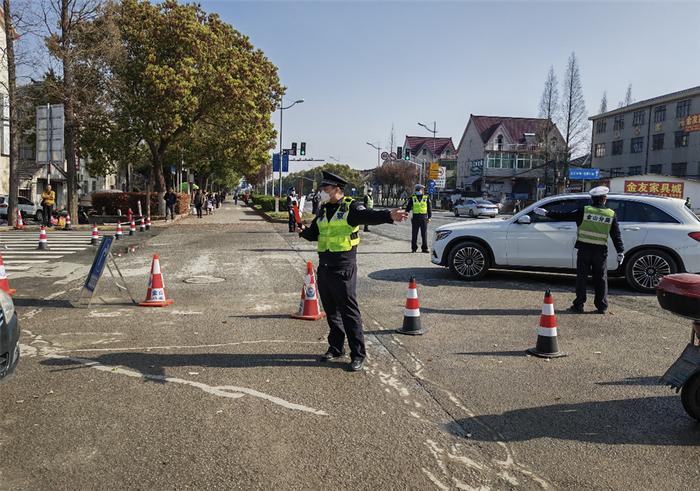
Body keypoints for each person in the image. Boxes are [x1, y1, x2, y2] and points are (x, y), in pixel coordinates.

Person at [298, 171, 408, 371]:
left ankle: (358, 354)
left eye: (325, 188)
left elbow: (369, 216)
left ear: (336, 189)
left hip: (343, 267)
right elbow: (316, 233)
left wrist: (388, 215)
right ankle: (336, 347)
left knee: (349, 312)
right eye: (322, 188)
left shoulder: (351, 207)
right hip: (325, 266)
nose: (322, 191)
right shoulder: (323, 210)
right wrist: (303, 232)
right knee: (331, 311)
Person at [534, 186, 624, 314]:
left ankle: (579, 305)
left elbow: (564, 216)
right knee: (601, 279)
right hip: (600, 251)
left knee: (582, 278)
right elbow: (616, 235)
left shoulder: (584, 210)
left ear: (592, 199)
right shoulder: (611, 214)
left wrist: (547, 213)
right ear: (605, 199)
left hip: (584, 249)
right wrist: (620, 251)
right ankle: (602, 306)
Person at [405, 184, 432, 253]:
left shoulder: (426, 197)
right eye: (422, 189)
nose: (422, 191)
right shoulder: (413, 198)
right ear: (420, 189)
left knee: (424, 234)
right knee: (414, 234)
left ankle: (424, 248)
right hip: (416, 218)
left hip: (423, 218)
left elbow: (429, 208)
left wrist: (429, 217)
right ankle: (414, 248)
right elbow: (408, 207)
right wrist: (406, 214)